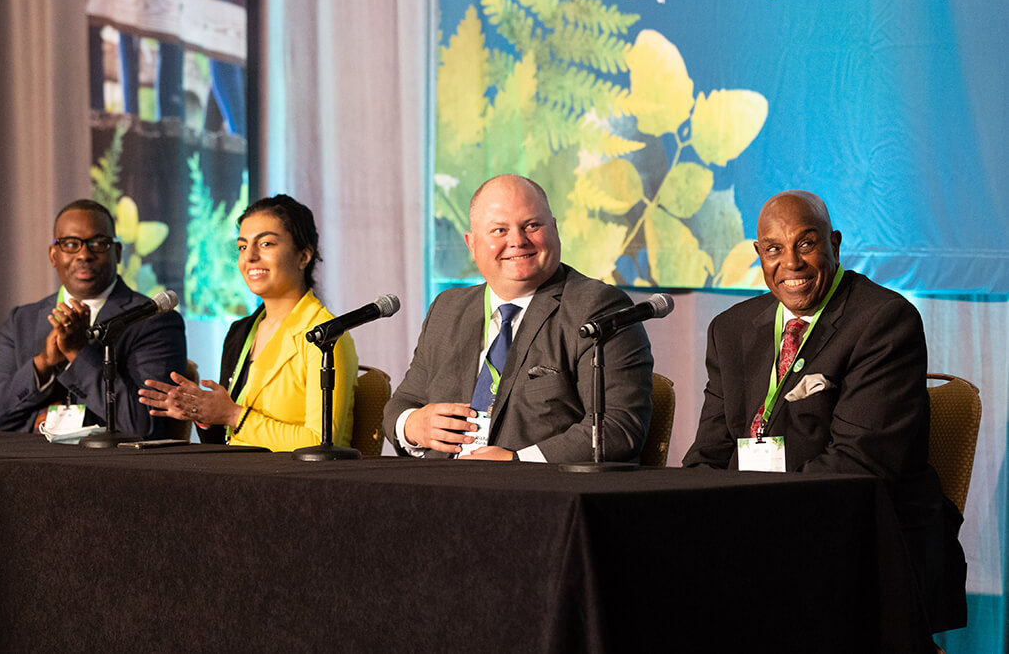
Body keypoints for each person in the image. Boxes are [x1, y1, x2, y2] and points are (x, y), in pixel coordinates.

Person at [683, 189, 966, 636]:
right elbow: (708, 454)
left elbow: (858, 467)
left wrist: (751, 524)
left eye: (806, 244)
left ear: (834, 244)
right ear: (759, 254)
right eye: (774, 249)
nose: (790, 263)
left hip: (865, 547)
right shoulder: (731, 329)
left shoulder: (884, 321)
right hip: (758, 536)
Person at [383, 174, 654, 462]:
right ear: (472, 245)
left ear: (555, 229)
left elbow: (616, 428)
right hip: (440, 489)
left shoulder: (597, 308)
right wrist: (411, 425)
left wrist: (517, 462)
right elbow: (402, 404)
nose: (518, 241)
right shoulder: (447, 309)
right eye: (499, 230)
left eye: (532, 226)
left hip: (539, 493)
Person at [138, 195, 357, 451]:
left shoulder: (327, 337)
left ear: (303, 256)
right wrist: (204, 414)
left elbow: (321, 444)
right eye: (242, 246)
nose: (250, 257)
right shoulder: (240, 332)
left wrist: (233, 415)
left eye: (265, 244)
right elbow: (226, 444)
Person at [0, 199, 187, 438]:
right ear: (53, 255)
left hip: (110, 469)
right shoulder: (22, 320)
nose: (84, 254)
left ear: (117, 253)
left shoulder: (153, 321)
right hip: (28, 465)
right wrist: (43, 364)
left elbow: (143, 425)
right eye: (70, 244)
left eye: (98, 243)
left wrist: (78, 353)